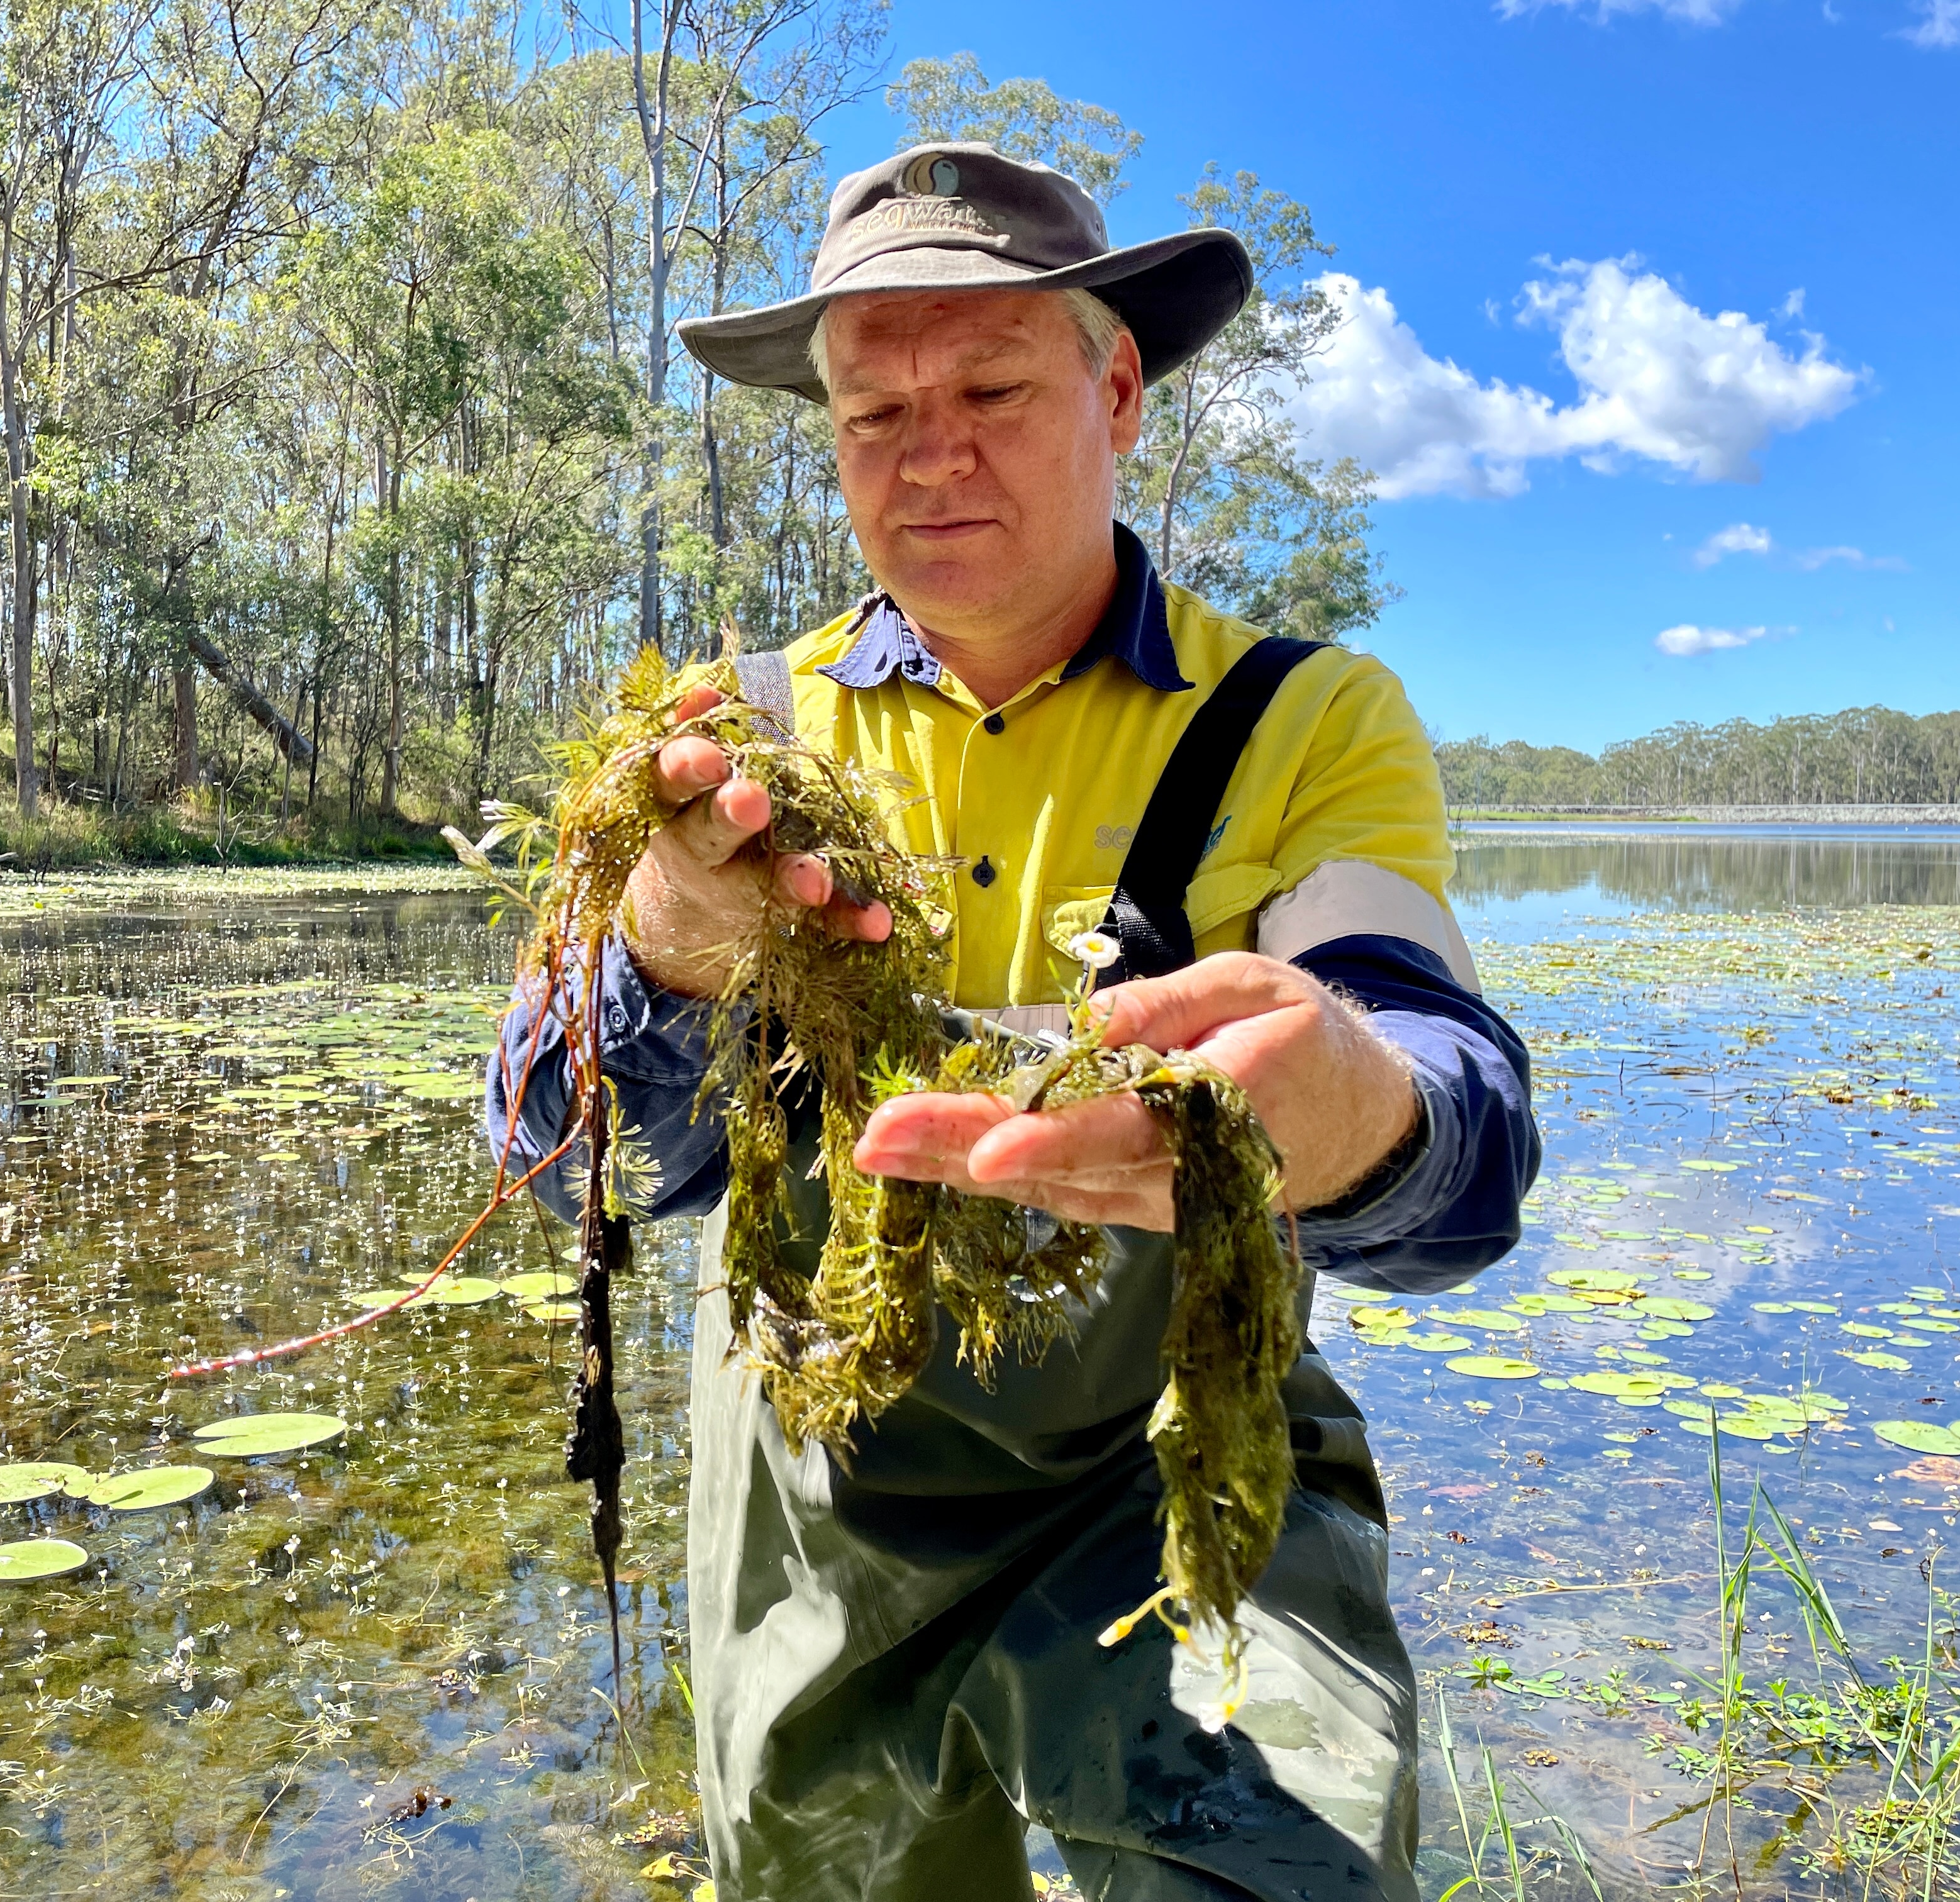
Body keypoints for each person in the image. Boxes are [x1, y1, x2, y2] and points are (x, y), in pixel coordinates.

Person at [489, 142, 1540, 1902]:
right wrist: (668, 948)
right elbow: (552, 1161)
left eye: (990, 385)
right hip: (813, 1527)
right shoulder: (724, 747)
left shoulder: (1304, 721)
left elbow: (1452, 1104)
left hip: (1184, 1471)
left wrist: (1349, 1104)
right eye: (873, 411)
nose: (934, 454)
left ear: (1116, 387)